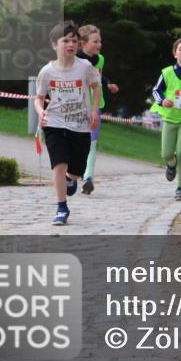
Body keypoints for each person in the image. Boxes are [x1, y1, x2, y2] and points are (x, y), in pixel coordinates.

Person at [34, 21, 101, 225]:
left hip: (80, 124)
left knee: (76, 170)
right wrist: (40, 112)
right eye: (65, 41)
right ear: (55, 45)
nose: (70, 45)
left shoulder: (85, 67)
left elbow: (96, 88)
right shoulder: (47, 72)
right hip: (54, 123)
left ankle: (72, 180)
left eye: (74, 41)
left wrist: (95, 111)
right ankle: (61, 207)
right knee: (59, 164)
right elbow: (39, 98)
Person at [150, 37, 181, 200]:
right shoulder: (167, 72)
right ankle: (171, 164)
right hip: (170, 117)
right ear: (175, 53)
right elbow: (156, 90)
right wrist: (163, 100)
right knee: (166, 154)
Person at [76, 24, 119, 194]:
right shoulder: (75, 59)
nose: (99, 44)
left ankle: (88, 178)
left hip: (95, 105)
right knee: (78, 142)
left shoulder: (100, 59)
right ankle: (75, 172)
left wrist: (108, 83)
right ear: (83, 43)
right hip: (77, 106)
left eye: (100, 41)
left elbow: (98, 76)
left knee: (92, 143)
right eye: (95, 41)